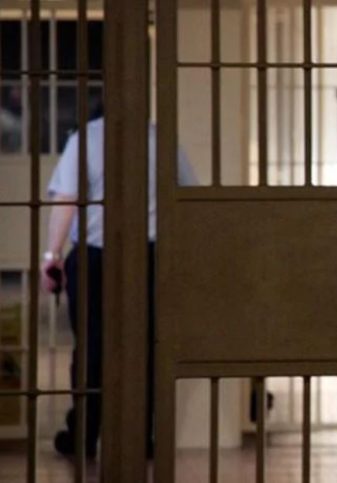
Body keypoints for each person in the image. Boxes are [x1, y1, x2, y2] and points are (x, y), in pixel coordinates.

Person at [41, 103, 197, 458]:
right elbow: (188, 196)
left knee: (91, 348)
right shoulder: (161, 139)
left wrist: (52, 255)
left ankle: (85, 434)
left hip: (96, 257)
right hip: (152, 256)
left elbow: (67, 199)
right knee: (148, 347)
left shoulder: (85, 140)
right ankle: (141, 437)